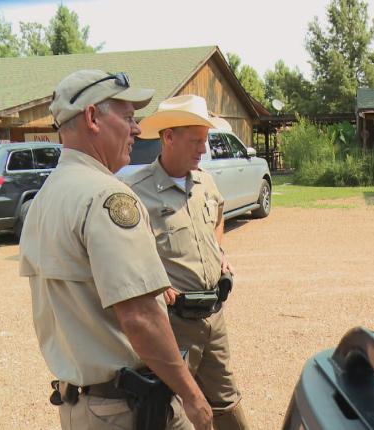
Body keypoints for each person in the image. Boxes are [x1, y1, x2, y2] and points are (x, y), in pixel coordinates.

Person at [19, 70, 212, 429]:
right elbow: (140, 316)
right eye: (127, 118)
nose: (137, 129)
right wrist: (192, 395)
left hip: (81, 406)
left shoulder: (45, 197)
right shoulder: (108, 196)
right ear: (92, 118)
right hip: (127, 411)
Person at [123, 95, 249, 429]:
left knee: (226, 402)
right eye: (196, 141)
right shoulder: (134, 191)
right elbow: (124, 253)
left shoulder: (204, 182)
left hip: (214, 316)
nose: (203, 150)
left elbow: (218, 215)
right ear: (168, 137)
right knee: (171, 410)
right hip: (173, 326)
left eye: (204, 141)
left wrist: (219, 252)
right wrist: (156, 282)